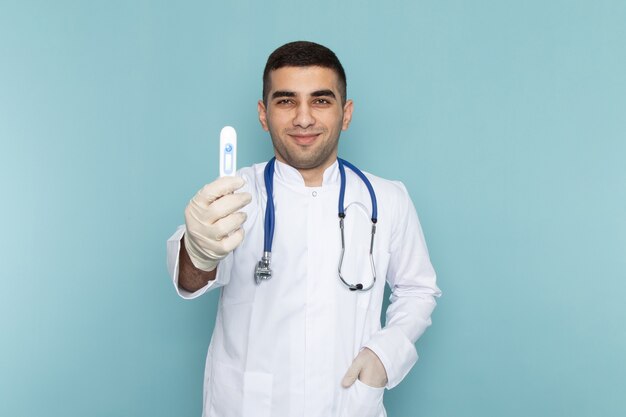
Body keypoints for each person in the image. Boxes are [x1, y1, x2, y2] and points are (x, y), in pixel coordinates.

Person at [166, 41, 441, 417]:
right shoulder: (233, 195)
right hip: (248, 405)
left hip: (346, 403)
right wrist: (199, 251)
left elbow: (418, 289)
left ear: (346, 113)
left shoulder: (387, 199)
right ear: (264, 114)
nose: (304, 118)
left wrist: (385, 354)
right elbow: (192, 278)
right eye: (286, 101)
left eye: (321, 101)